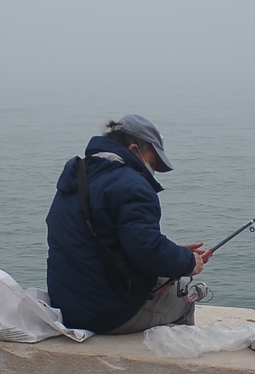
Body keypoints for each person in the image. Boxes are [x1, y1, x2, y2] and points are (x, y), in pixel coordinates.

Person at [45, 115, 212, 334]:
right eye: (152, 162)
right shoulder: (131, 184)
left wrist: (176, 254)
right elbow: (146, 250)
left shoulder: (79, 174)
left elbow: (114, 241)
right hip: (104, 313)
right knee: (183, 297)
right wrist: (188, 262)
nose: (151, 169)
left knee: (163, 277)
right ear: (134, 149)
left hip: (66, 305)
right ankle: (173, 363)